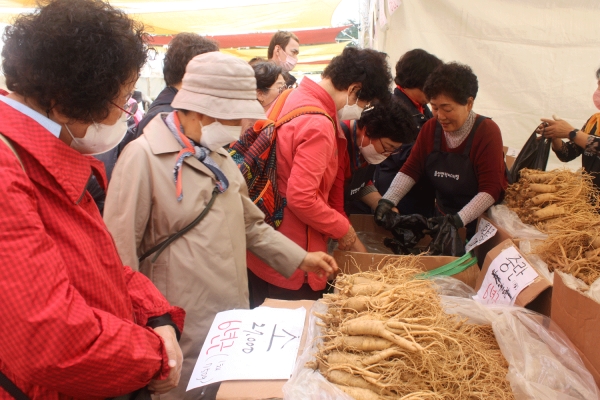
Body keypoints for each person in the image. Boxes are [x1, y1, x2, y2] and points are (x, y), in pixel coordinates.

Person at [103, 52, 337, 400]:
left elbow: (250, 226)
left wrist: (301, 258)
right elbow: (118, 260)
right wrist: (142, 333)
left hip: (230, 320)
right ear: (200, 111)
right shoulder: (142, 158)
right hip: (178, 326)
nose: (244, 126)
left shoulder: (220, 158)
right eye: (236, 117)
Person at [0, 0, 185, 398]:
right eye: (120, 101)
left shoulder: (49, 154)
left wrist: (155, 315)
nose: (122, 115)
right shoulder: (6, 167)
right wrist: (154, 355)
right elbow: (49, 339)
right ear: (68, 101)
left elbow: (98, 266)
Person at [246, 46, 393, 308]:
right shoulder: (318, 123)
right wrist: (344, 231)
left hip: (267, 247)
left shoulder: (290, 97)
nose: (361, 111)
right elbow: (302, 198)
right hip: (294, 259)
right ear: (353, 90)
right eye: (363, 103)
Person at [375, 62, 507, 239]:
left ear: (469, 103)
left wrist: (458, 221)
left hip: (478, 225)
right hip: (443, 216)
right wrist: (388, 200)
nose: (440, 116)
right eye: (435, 108)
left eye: (447, 109)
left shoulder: (487, 132)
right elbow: (411, 169)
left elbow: (491, 189)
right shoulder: (430, 128)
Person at [374, 49, 443, 218]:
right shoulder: (395, 108)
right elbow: (405, 154)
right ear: (421, 80)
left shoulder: (422, 107)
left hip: (418, 195)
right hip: (399, 196)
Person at [340, 99, 418, 215]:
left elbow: (359, 182)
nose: (387, 154)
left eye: (394, 150)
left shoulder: (365, 148)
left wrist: (379, 204)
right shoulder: (338, 140)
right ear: (368, 130)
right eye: (387, 147)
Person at [538, 67, 600, 189]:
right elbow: (568, 154)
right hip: (588, 201)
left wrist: (572, 133)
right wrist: (555, 135)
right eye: (599, 85)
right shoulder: (594, 121)